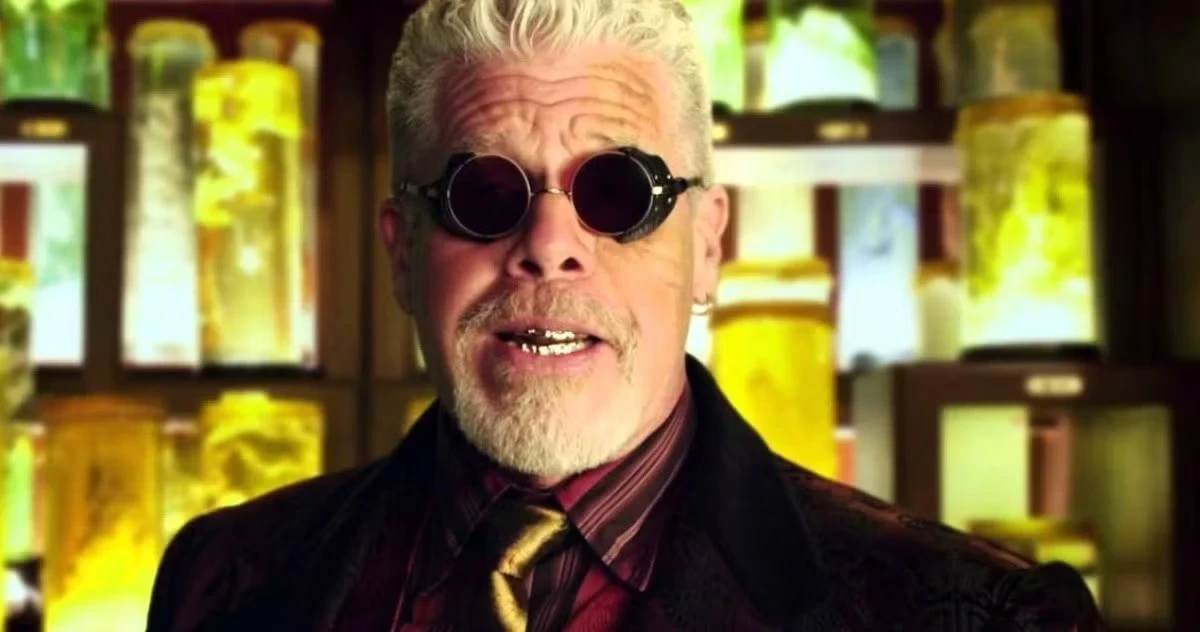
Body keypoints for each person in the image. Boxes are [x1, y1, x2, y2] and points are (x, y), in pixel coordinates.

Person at [146, 0, 1103, 630]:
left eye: (617, 191)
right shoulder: (223, 581)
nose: (550, 244)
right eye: (486, 194)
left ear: (708, 244)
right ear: (402, 253)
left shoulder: (979, 617)